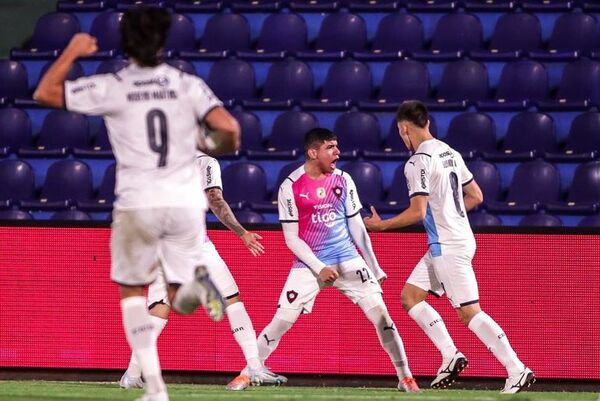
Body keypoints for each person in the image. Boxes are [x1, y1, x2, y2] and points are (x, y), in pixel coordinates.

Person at [34, 7, 240, 401]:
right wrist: (210, 144)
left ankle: (156, 389)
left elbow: (44, 92)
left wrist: (73, 51)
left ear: (124, 42)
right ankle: (196, 289)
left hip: (138, 202)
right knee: (177, 300)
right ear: (163, 41)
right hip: (184, 204)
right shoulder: (187, 84)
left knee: (134, 292)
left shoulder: (114, 85)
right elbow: (229, 130)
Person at [363, 100, 535, 394]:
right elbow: (476, 195)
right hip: (455, 239)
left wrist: (381, 226)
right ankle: (450, 354)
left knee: (469, 312)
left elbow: (417, 212)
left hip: (447, 245)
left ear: (403, 128)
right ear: (427, 123)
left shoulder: (418, 161)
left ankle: (517, 369)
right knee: (410, 297)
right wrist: (448, 213)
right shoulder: (450, 152)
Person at [237, 128, 420, 392]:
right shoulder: (290, 186)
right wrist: (319, 267)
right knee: (281, 321)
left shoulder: (344, 179)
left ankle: (405, 377)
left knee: (383, 317)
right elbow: (292, 238)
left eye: (337, 147)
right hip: (311, 263)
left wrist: (374, 264)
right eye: (331, 148)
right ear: (313, 152)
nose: (338, 153)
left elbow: (356, 226)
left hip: (348, 258)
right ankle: (248, 372)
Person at [120, 153, 287, 391]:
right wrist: (242, 233)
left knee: (159, 309)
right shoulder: (204, 162)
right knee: (231, 299)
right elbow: (215, 200)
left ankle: (132, 374)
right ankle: (255, 367)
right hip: (194, 246)